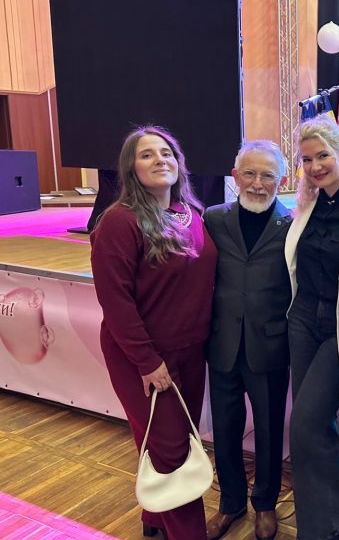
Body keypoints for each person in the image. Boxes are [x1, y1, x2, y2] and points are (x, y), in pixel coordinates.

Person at [90, 125, 217, 540]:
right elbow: (115, 301)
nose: (160, 159)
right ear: (131, 168)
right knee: (173, 454)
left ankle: (155, 520)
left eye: (167, 153)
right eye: (147, 154)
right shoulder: (119, 221)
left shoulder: (190, 214)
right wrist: (147, 361)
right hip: (144, 357)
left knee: (167, 441)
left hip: (190, 352)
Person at [202, 141, 292, 540]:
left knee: (270, 432)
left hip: (270, 346)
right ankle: (231, 503)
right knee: (224, 429)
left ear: (282, 180)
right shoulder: (212, 218)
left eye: (267, 175)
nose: (258, 183)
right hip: (222, 342)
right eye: (250, 173)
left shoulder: (293, 225)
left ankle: (266, 504)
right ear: (235, 176)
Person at [284, 114, 339, 540]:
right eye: (307, 159)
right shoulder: (307, 205)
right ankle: (333, 508)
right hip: (302, 320)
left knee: (304, 424)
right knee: (316, 424)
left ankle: (318, 531)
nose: (315, 166)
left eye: (323, 156)